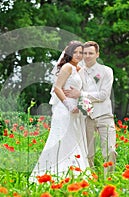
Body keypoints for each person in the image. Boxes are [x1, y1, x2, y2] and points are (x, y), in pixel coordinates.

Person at [29, 41, 89, 182]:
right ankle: (56, 173)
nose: (78, 55)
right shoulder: (67, 67)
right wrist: (69, 105)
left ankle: (74, 173)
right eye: (76, 52)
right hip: (64, 109)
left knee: (73, 140)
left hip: (75, 109)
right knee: (62, 139)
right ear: (69, 53)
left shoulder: (78, 69)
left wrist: (82, 101)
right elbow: (57, 88)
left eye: (81, 52)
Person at [64, 41, 117, 175]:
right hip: (85, 117)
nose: (87, 56)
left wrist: (81, 94)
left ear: (97, 54)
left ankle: (108, 180)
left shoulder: (106, 71)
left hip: (105, 116)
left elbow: (104, 95)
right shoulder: (77, 72)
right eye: (85, 53)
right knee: (88, 154)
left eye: (90, 53)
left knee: (110, 150)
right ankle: (92, 181)